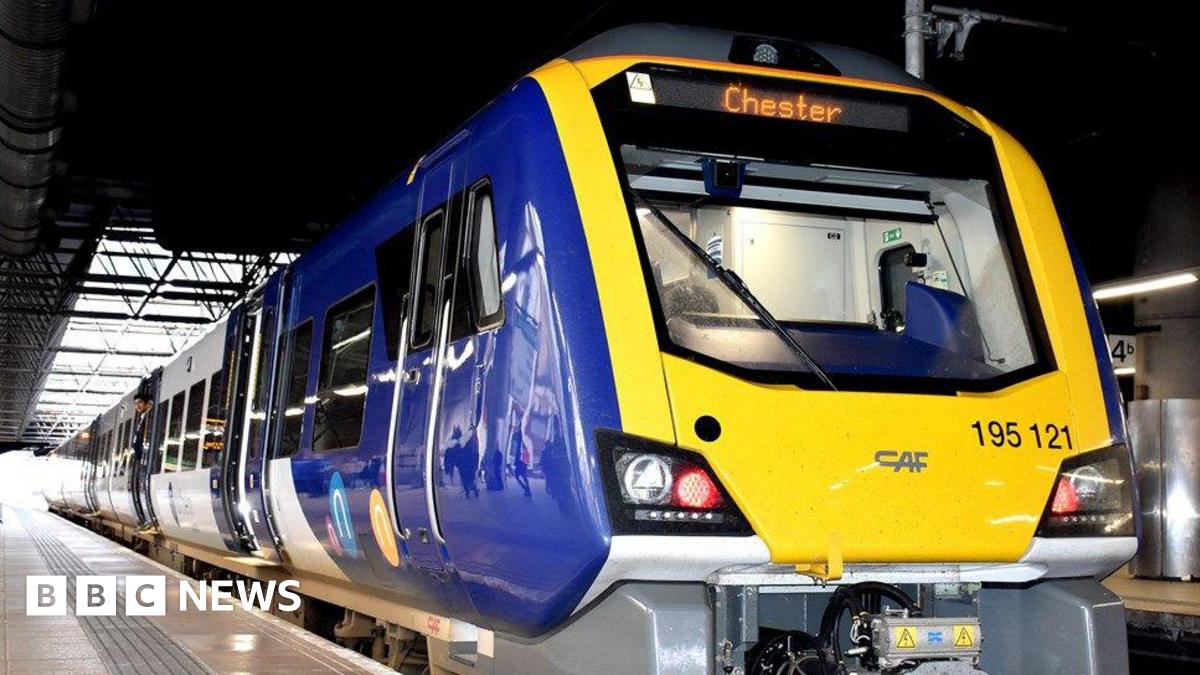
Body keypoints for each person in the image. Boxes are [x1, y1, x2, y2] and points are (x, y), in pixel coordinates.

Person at [131, 393, 154, 530]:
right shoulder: (141, 418)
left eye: (140, 402)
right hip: (141, 458)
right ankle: (144, 519)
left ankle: (148, 518)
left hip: (147, 459)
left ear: (147, 403)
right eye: (135, 403)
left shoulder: (150, 417)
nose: (137, 406)